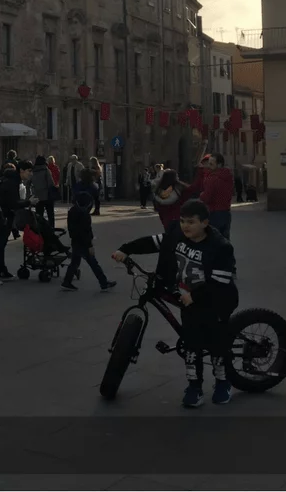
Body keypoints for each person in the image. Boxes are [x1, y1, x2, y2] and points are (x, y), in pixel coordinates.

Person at [112, 199, 237, 408]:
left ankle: (223, 383)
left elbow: (220, 282)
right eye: (182, 221)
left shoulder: (220, 247)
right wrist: (125, 250)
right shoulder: (177, 235)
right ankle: (194, 386)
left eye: (191, 222)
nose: (185, 226)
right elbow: (154, 242)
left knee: (217, 344)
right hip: (190, 302)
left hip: (216, 302)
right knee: (191, 344)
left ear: (205, 223)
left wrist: (195, 296)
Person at [61, 192, 116, 292]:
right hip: (83, 243)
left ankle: (67, 281)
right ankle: (103, 283)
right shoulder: (84, 214)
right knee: (93, 263)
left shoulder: (72, 211)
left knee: (75, 262)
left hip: (75, 240)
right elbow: (86, 231)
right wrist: (90, 245)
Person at [0, 162, 33, 281]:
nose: (31, 174)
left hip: (2, 215)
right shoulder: (12, 183)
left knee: (0, 245)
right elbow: (13, 203)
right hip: (3, 216)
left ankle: (2, 270)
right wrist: (29, 202)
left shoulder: (11, 180)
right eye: (29, 171)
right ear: (21, 170)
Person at [200, 153, 234, 239]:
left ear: (219, 165)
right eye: (209, 163)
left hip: (214, 213)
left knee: (213, 240)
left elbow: (206, 198)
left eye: (211, 164)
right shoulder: (228, 176)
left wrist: (201, 195)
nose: (208, 166)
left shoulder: (212, 178)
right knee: (224, 240)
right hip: (226, 212)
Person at [31, 155, 57, 230]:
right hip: (47, 195)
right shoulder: (46, 170)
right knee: (50, 214)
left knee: (39, 215)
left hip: (37, 196)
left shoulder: (33, 171)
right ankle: (51, 229)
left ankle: (40, 230)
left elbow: (29, 182)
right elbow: (50, 182)